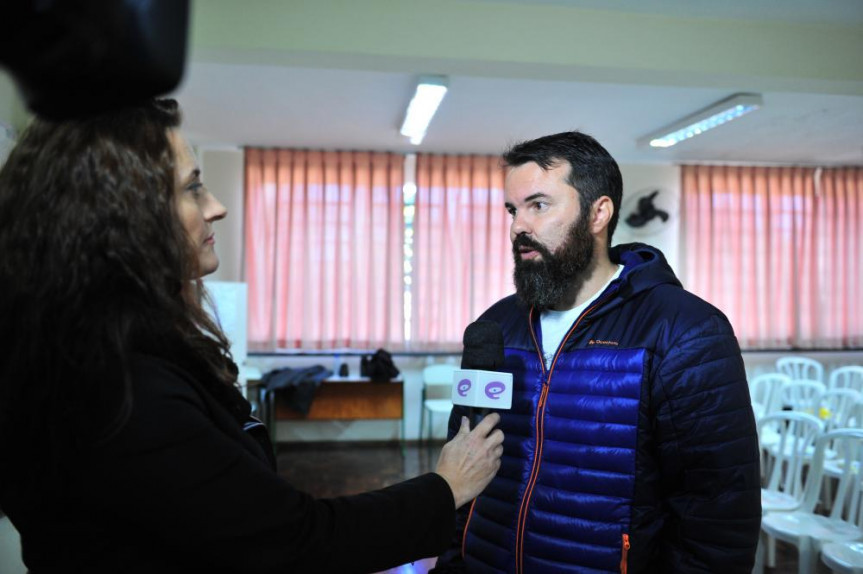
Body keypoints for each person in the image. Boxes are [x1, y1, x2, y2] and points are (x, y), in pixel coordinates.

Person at [0, 99, 505, 573]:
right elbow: (292, 541)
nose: (216, 206)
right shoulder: (119, 389)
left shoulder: (82, 349)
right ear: (121, 215)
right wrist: (446, 487)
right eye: (192, 186)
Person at [433, 131, 761, 573]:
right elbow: (462, 462)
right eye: (513, 209)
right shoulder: (497, 326)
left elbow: (717, 512)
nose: (517, 226)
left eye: (538, 205)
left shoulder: (684, 330)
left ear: (597, 213)